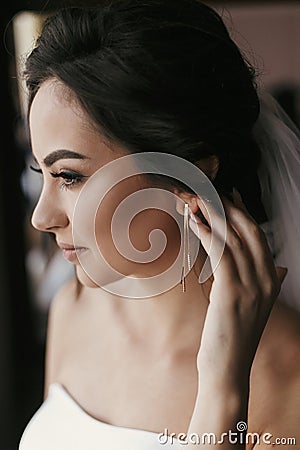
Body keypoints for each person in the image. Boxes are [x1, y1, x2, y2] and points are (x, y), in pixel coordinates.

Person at [19, 1, 300, 449]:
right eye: (42, 174)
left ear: (189, 174)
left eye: (69, 177)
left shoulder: (288, 375)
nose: (42, 217)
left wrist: (223, 385)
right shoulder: (71, 310)